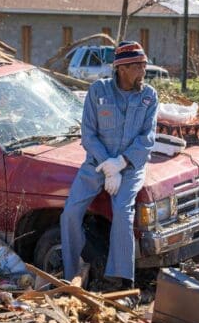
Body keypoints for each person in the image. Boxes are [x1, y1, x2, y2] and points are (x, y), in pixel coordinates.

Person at [60, 41, 158, 292]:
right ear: (122, 68)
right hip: (96, 164)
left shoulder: (149, 96)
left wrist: (121, 163)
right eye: (138, 66)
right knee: (70, 212)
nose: (143, 71)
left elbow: (147, 138)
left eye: (144, 65)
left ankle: (122, 281)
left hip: (130, 167)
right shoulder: (98, 91)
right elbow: (88, 135)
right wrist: (107, 166)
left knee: (123, 215)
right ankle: (71, 273)